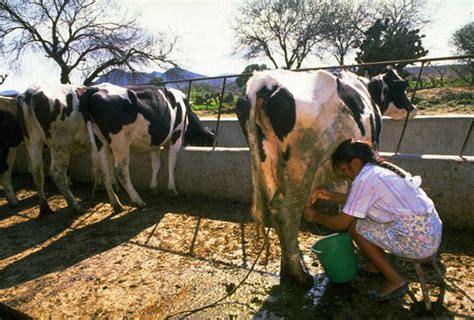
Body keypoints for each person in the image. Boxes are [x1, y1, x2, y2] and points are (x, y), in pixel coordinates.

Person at [303, 139, 442, 301]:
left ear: (354, 163)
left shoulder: (364, 180)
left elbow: (341, 223)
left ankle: (395, 280)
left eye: (344, 170)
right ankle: (377, 265)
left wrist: (315, 216)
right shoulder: (378, 170)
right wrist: (331, 195)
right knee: (364, 218)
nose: (345, 176)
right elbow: (361, 201)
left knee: (356, 227)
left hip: (418, 243)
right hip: (431, 232)